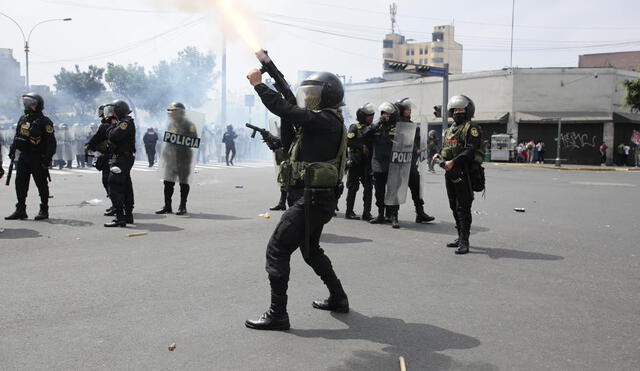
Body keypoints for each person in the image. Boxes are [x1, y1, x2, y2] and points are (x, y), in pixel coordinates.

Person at [244, 69, 349, 331]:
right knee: (311, 251)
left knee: (277, 250)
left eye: (314, 94)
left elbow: (287, 109)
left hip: (312, 200)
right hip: (316, 199)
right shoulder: (324, 121)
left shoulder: (326, 120)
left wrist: (259, 85)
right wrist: (270, 69)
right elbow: (291, 112)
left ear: (328, 96)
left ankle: (277, 314)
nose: (309, 98)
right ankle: (338, 297)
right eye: (308, 94)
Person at [434, 95, 483, 255]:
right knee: (453, 205)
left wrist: (453, 162)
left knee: (463, 207)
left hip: (465, 171)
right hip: (450, 171)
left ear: (468, 111)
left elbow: (470, 150)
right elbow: (446, 148)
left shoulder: (472, 128)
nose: (458, 112)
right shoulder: (449, 130)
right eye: (455, 110)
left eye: (461, 109)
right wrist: (438, 154)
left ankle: (465, 241)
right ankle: (459, 236)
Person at [5, 93, 56, 221]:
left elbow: (51, 143)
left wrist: (47, 159)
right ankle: (20, 209)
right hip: (24, 157)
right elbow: (17, 136)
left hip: (38, 157)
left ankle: (44, 209)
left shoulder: (45, 122)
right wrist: (12, 149)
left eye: (30, 103)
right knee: (20, 183)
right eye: (25, 102)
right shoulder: (23, 119)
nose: (26, 105)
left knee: (41, 184)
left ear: (37, 105)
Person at [395, 98, 435, 224]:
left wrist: (420, 148)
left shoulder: (413, 126)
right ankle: (393, 216)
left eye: (410, 109)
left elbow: (419, 142)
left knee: (417, 189)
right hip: (397, 164)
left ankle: (420, 213)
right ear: (401, 110)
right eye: (407, 109)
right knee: (396, 190)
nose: (410, 111)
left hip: (411, 163)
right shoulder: (394, 125)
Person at [156, 102, 198, 215]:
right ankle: (167, 206)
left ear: (180, 112)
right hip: (171, 157)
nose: (171, 114)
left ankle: (182, 206)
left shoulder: (189, 125)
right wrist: (164, 155)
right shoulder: (171, 125)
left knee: (183, 182)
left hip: (183, 157)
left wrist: (181, 138)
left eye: (173, 111)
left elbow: (194, 140)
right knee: (168, 182)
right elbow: (168, 141)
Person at [364, 102, 400, 228]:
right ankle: (380, 215)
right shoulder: (376, 127)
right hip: (378, 164)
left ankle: (394, 216)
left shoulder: (397, 128)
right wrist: (377, 124)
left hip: (392, 164)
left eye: (388, 114)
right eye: (384, 114)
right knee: (379, 192)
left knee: (393, 192)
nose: (386, 116)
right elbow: (365, 135)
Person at [103, 100, 136, 228]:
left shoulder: (124, 123)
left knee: (114, 184)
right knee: (126, 185)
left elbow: (113, 136)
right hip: (123, 158)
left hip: (122, 158)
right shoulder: (123, 122)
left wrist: (111, 125)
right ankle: (128, 215)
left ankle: (120, 217)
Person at [344, 102, 375, 221]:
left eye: (372, 115)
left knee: (368, 188)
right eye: (369, 116)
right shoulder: (354, 127)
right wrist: (361, 146)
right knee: (353, 188)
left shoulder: (372, 128)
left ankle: (367, 213)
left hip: (367, 164)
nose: (371, 118)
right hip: (355, 162)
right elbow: (348, 141)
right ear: (362, 116)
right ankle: (349, 212)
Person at [86, 105, 116, 216]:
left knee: (108, 181)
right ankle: (118, 205)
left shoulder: (106, 125)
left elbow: (96, 138)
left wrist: (89, 146)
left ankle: (116, 205)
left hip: (110, 156)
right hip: (113, 156)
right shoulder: (113, 123)